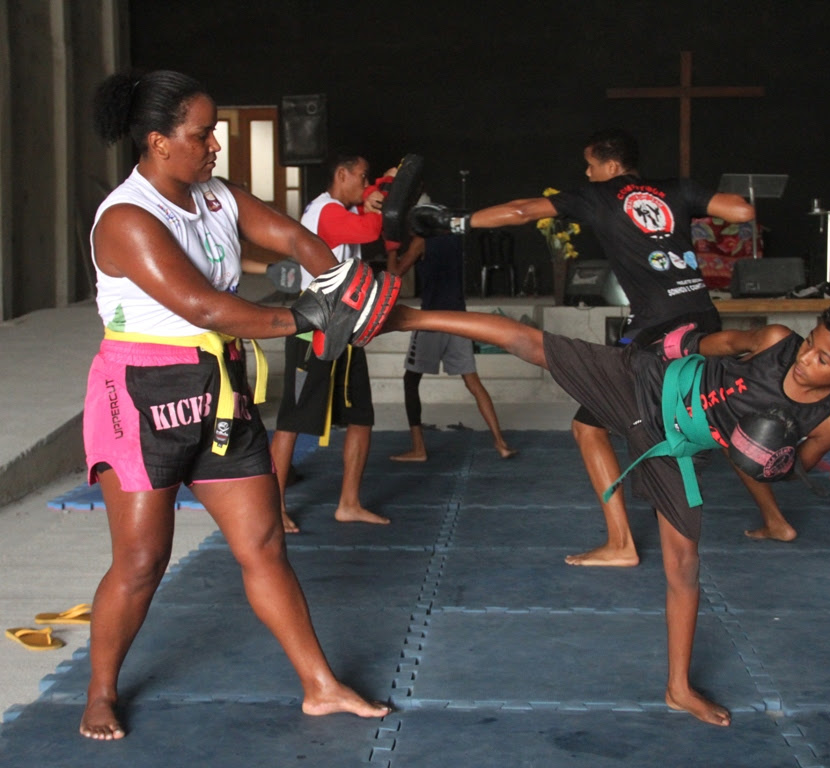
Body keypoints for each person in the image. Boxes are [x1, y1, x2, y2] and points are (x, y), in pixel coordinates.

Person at [376, 298, 830, 725]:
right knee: (533, 345)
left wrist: (770, 457)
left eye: (825, 360)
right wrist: (669, 346)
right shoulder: (776, 339)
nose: (806, 359)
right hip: (644, 381)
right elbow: (716, 343)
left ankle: (678, 688)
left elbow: (792, 468)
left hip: (673, 444)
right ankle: (405, 317)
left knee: (685, 566)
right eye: (811, 344)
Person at [82, 70, 390, 740]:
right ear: (160, 142)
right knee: (141, 562)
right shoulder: (129, 217)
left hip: (217, 388)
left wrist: (342, 279)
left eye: (214, 132)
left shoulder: (215, 196)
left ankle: (319, 685)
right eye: (201, 135)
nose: (214, 146)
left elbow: (289, 236)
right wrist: (312, 317)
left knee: (263, 543)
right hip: (141, 396)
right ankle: (100, 691)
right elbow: (202, 305)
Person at [408, 129, 811, 565]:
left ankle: (621, 543)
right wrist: (685, 206)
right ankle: (776, 521)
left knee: (588, 428)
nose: (587, 172)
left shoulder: (597, 195)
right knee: (722, 418)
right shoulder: (675, 189)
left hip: (658, 336)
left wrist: (456, 223)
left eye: (591, 164)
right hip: (704, 320)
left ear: (612, 167)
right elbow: (741, 209)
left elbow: (521, 210)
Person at [269, 153, 393, 533]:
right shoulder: (326, 212)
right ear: (341, 175)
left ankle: (349, 503)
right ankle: (272, 509)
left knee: (361, 417)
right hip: (315, 323)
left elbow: (367, 208)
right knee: (292, 419)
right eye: (361, 176)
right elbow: (371, 230)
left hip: (348, 322)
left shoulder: (341, 206)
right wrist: (386, 188)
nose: (364, 183)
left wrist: (377, 185)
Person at [386, 231, 517, 461]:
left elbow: (394, 274)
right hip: (459, 320)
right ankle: (501, 443)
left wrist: (391, 249)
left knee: (410, 381)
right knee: (473, 382)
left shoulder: (421, 240)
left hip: (432, 320)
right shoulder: (455, 239)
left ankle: (418, 449)